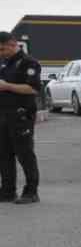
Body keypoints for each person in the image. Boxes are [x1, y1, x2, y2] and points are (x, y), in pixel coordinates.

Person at [0, 31, 42, 204]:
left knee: (24, 154)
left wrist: (7, 86)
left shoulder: (28, 63)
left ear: (12, 43)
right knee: (4, 154)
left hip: (21, 115)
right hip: (3, 114)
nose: (0, 53)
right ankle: (8, 191)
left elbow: (33, 89)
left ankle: (31, 192)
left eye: (2, 49)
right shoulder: (4, 63)